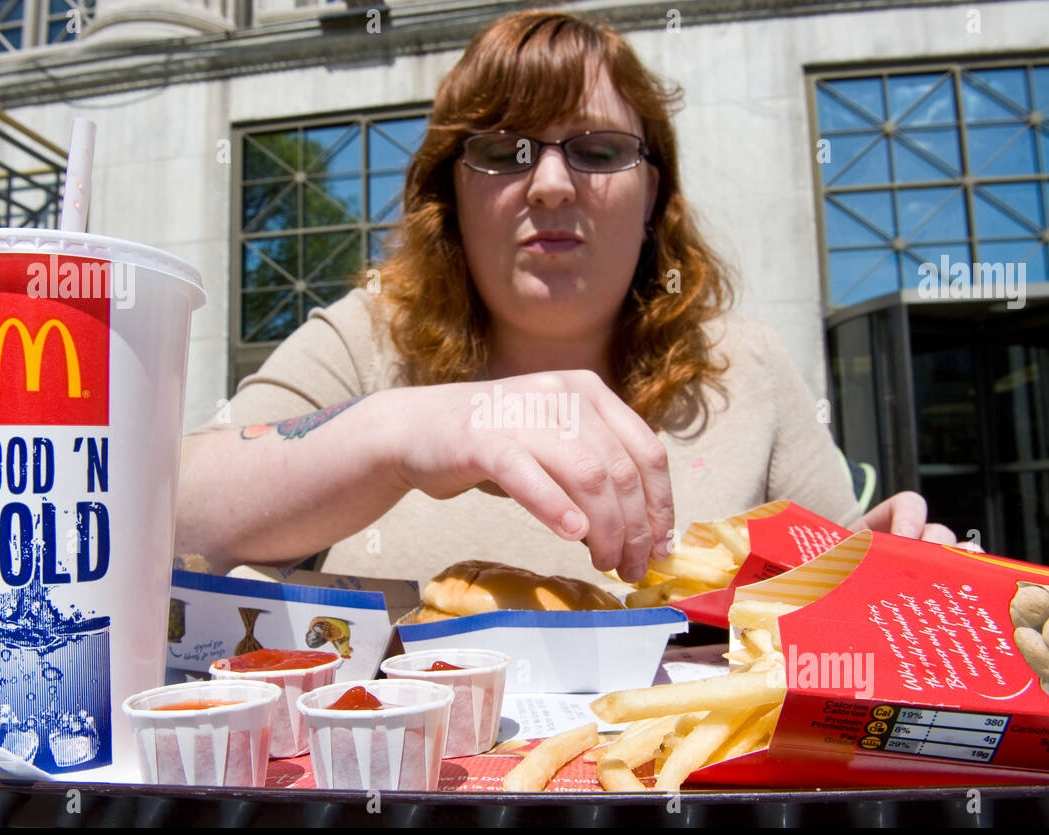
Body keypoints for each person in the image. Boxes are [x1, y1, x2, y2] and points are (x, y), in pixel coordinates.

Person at [176, 10, 955, 588]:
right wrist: (406, 428)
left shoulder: (742, 364)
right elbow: (169, 512)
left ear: (652, 193)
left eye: (599, 150)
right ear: (451, 193)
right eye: (501, 151)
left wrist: (885, 577)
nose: (550, 184)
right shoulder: (368, 339)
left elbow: (841, 587)